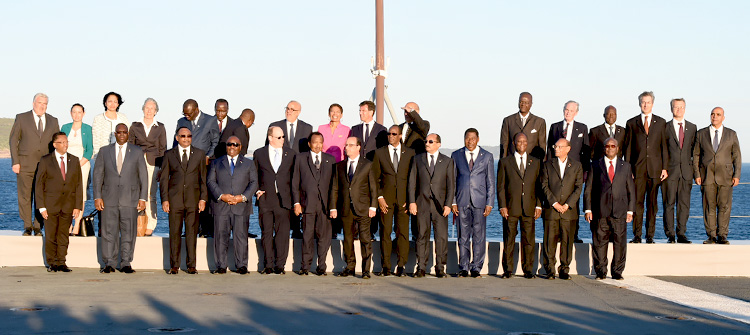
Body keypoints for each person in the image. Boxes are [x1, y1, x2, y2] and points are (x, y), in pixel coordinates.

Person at [93, 123, 147, 274]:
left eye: (125, 132)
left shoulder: (136, 151)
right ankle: (109, 262)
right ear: (115, 134)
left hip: (130, 199)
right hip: (108, 199)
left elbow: (143, 175)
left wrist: (143, 198)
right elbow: (97, 176)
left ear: (128, 134)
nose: (122, 134)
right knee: (109, 232)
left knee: (129, 232)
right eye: (119, 132)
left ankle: (126, 262)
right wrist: (97, 197)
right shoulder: (104, 151)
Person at [9, 93, 60, 236]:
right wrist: (15, 162)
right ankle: (27, 226)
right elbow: (14, 140)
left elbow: (57, 142)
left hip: (46, 166)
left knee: (42, 197)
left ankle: (38, 227)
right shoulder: (21, 118)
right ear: (33, 103)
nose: (42, 106)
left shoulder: (53, 120)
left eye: (45, 104)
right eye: (40, 103)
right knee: (25, 196)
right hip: (24, 165)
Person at [585, 138, 635, 280]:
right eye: (607, 146)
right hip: (600, 211)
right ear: (604, 148)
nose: (610, 148)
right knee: (599, 243)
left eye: (613, 146)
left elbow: (631, 189)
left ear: (617, 148)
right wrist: (588, 209)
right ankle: (600, 271)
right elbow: (588, 189)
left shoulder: (626, 166)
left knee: (620, 243)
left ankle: (617, 271)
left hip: (620, 211)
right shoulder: (595, 165)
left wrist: (630, 210)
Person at [160, 127, 207, 274]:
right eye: (183, 136)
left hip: (193, 200)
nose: (186, 138)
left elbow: (203, 179)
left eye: (189, 136)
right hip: (174, 201)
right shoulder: (169, 155)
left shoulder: (199, 154)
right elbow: (163, 180)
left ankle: (191, 265)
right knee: (174, 233)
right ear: (177, 137)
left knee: (192, 233)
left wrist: (203, 199)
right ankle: (174, 265)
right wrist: (165, 199)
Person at [622, 91, 668, 244]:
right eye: (643, 102)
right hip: (637, 170)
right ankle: (637, 235)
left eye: (648, 102)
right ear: (639, 103)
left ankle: (650, 236)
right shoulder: (631, 123)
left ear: (653, 104)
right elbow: (627, 148)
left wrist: (664, 168)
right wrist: (628, 170)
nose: (646, 105)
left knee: (652, 205)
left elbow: (664, 147)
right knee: (637, 204)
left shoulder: (661, 122)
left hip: (655, 170)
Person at [208, 136, 258, 274]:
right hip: (220, 206)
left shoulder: (249, 164)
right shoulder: (216, 163)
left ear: (240, 147)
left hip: (241, 206)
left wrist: (242, 198)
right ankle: (221, 266)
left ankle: (241, 265)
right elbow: (211, 181)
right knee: (220, 237)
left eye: (235, 144)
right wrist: (222, 196)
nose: (232, 147)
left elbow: (254, 182)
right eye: (229, 144)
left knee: (241, 237)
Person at [330, 137, 378, 279]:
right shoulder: (339, 166)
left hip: (363, 208)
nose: (347, 147)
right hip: (345, 208)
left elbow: (373, 187)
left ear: (358, 147)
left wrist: (373, 207)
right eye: (346, 145)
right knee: (348, 239)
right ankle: (350, 267)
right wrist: (333, 207)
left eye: (351, 145)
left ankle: (365, 270)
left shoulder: (367, 165)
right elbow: (335, 188)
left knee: (365, 239)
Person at [408, 133, 455, 278]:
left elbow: (451, 185)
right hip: (421, 204)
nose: (427, 143)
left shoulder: (447, 161)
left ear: (438, 144)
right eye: (426, 141)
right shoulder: (417, 159)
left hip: (440, 206)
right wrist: (412, 202)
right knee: (421, 236)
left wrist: (448, 204)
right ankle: (421, 267)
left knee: (441, 237)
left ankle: (440, 268)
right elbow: (412, 183)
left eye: (430, 141)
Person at [693, 107, 741, 244]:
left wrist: (737, 175)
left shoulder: (731, 134)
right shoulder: (701, 133)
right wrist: (696, 174)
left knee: (724, 207)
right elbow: (696, 155)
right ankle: (711, 236)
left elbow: (737, 156)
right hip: (706, 176)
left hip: (726, 176)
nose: (715, 116)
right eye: (713, 114)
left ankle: (722, 235)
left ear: (723, 117)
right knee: (709, 207)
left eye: (718, 114)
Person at [371, 125, 415, 277]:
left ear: (400, 136)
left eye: (394, 134)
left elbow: (413, 178)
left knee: (403, 233)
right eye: (389, 134)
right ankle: (386, 266)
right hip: (386, 201)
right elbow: (375, 178)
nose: (391, 136)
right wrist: (379, 198)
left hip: (404, 201)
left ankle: (401, 265)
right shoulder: (379, 153)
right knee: (385, 233)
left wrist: (410, 199)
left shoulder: (410, 153)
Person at [35, 132, 82, 272]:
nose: (65, 144)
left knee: (63, 236)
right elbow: (39, 185)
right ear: (55, 144)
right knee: (50, 235)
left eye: (66, 141)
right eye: (62, 142)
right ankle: (52, 263)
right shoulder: (45, 160)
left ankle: (62, 262)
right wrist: (41, 207)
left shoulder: (74, 160)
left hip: (68, 205)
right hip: (50, 206)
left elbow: (78, 184)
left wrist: (77, 206)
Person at [451, 128, 495, 278]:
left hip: (479, 202)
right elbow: (452, 181)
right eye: (467, 138)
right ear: (464, 139)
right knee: (462, 236)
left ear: (478, 139)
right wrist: (453, 201)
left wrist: (489, 203)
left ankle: (476, 267)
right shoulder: (456, 155)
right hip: (461, 201)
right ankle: (463, 266)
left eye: (473, 138)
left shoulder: (487, 156)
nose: (470, 141)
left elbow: (490, 182)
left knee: (479, 236)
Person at [496, 132, 541, 279]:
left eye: (524, 141)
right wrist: (502, 205)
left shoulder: (535, 162)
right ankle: (507, 270)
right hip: (510, 208)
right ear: (514, 143)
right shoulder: (505, 162)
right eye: (519, 141)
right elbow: (501, 186)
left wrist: (538, 206)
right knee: (509, 240)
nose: (522, 144)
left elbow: (539, 187)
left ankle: (528, 270)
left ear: (527, 143)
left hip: (529, 207)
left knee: (529, 241)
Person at [174, 99, 220, 238]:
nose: (186, 116)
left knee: (203, 196)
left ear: (196, 109)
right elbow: (175, 141)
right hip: (184, 166)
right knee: (186, 197)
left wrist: (208, 156)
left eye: (189, 114)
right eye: (185, 114)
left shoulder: (210, 120)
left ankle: (204, 229)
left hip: (203, 165)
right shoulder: (181, 122)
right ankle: (188, 229)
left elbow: (215, 141)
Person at [291, 132, 335, 276]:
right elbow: (295, 183)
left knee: (324, 237)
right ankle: (305, 266)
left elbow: (334, 186)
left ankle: (321, 266)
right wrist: (296, 203)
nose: (318, 145)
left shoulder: (330, 160)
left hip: (325, 206)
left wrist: (333, 206)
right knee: (307, 236)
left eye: (320, 142)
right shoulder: (300, 158)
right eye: (315, 142)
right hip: (306, 204)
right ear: (309, 143)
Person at [539, 138, 583, 280]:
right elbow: (544, 185)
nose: (556, 148)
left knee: (567, 241)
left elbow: (578, 187)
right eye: (555, 146)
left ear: (568, 148)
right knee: (549, 241)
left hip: (569, 212)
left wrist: (567, 204)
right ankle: (550, 269)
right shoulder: (547, 165)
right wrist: (554, 203)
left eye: (559, 146)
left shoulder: (576, 166)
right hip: (551, 210)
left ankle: (564, 269)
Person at [254, 126, 295, 274]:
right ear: (270, 138)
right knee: (266, 232)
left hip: (284, 199)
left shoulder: (290, 154)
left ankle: (280, 265)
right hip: (266, 199)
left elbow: (294, 178)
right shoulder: (259, 153)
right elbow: (254, 175)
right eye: (279, 137)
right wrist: (257, 190)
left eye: (283, 137)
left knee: (283, 234)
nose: (282, 140)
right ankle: (268, 265)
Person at [269, 100, 313, 239]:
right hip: (279, 170)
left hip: (298, 170)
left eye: (292, 109)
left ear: (299, 112)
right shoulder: (275, 126)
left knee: (297, 198)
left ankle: (296, 228)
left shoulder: (307, 128)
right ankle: (279, 229)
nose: (289, 111)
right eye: (287, 108)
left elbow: (307, 152)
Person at [547, 101, 589, 243]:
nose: (568, 112)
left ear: (576, 112)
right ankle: (557, 235)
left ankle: (574, 234)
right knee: (557, 199)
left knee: (573, 203)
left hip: (574, 172)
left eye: (571, 110)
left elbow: (586, 152)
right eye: (566, 109)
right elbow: (549, 150)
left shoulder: (582, 128)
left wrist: (584, 172)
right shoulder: (555, 127)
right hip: (556, 171)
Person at [128, 98, 167, 236]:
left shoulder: (160, 127)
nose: (149, 111)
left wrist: (161, 169)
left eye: (152, 108)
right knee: (136, 193)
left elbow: (163, 149)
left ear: (156, 111)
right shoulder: (134, 126)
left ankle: (151, 223)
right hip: (137, 163)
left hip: (153, 163)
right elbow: (130, 146)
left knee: (150, 194)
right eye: (147, 108)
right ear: (143, 109)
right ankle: (138, 222)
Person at [662, 98, 697, 244]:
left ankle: (681, 233)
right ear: (671, 109)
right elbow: (662, 148)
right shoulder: (665, 127)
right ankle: (670, 234)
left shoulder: (692, 127)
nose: (679, 109)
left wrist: (695, 172)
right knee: (668, 203)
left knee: (684, 204)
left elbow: (695, 152)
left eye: (681, 107)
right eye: (676, 107)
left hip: (686, 172)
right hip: (669, 172)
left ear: (685, 108)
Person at [400, 102, 431, 240]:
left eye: (410, 111)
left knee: (414, 204)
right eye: (405, 111)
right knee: (401, 206)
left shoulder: (423, 125)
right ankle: (400, 236)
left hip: (415, 170)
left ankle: (415, 235)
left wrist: (412, 113)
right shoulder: (400, 128)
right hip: (400, 172)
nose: (407, 113)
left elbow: (422, 127)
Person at [318, 103, 349, 240]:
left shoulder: (347, 130)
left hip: (339, 167)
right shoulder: (321, 128)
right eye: (332, 111)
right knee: (324, 195)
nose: (334, 114)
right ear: (328, 113)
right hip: (324, 167)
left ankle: (336, 229)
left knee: (338, 198)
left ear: (341, 115)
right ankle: (324, 227)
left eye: (337, 112)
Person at [60, 104, 92, 235]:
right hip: (65, 164)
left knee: (80, 194)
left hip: (82, 165)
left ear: (84, 113)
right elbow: (60, 145)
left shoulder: (88, 129)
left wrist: (77, 165)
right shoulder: (65, 127)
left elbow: (90, 150)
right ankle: (67, 224)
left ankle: (77, 224)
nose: (77, 114)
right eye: (74, 112)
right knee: (66, 194)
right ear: (70, 113)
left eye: (79, 112)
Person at [500, 92, 547, 160]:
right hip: (512, 163)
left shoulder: (539, 122)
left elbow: (542, 147)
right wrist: (502, 163)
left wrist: (542, 166)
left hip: (532, 163)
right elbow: (504, 145)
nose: (523, 104)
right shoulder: (508, 121)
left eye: (526, 102)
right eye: (521, 102)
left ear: (531, 104)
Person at [92, 92, 129, 160]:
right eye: (110, 101)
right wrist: (97, 157)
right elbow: (96, 140)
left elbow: (128, 137)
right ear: (105, 103)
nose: (112, 104)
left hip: (121, 154)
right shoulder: (98, 118)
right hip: (105, 155)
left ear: (118, 104)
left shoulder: (123, 118)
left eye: (115, 102)